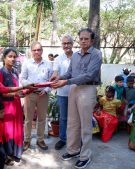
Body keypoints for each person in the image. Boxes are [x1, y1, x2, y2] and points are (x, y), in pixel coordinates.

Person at [51, 28, 102, 169]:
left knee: (86, 125)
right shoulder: (75, 56)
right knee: (72, 123)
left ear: (91, 40)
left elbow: (90, 75)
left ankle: (85, 156)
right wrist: (59, 77)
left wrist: (65, 82)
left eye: (86, 39)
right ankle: (73, 150)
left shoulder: (97, 54)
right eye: (81, 39)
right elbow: (70, 73)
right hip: (74, 88)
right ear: (78, 40)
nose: (83, 41)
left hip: (87, 88)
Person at [20, 42, 53, 151]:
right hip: (30, 94)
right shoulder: (27, 63)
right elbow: (22, 78)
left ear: (42, 51)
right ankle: (27, 140)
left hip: (43, 94)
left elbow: (51, 81)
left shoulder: (48, 64)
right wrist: (28, 86)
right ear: (31, 51)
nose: (36, 52)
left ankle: (40, 140)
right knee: (28, 119)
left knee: (42, 118)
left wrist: (47, 90)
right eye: (34, 50)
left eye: (38, 50)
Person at [0, 48, 24, 161]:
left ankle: (16, 153)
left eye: (14, 57)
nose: (13, 59)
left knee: (17, 129)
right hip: (6, 107)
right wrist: (15, 93)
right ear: (4, 58)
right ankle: (7, 155)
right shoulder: (0, 73)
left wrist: (21, 93)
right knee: (8, 131)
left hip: (16, 105)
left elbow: (17, 88)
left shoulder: (15, 72)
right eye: (10, 56)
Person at [50, 35, 74, 150]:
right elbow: (55, 72)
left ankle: (75, 139)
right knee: (63, 118)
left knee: (75, 118)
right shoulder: (59, 59)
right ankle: (63, 139)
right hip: (62, 93)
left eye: (68, 43)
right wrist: (54, 77)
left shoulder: (78, 57)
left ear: (72, 44)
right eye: (64, 43)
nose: (66, 45)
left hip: (76, 93)